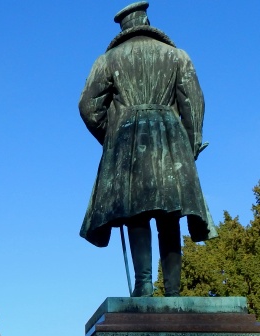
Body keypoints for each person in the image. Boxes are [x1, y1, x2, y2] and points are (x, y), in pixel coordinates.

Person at [79, 2, 216, 297]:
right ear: (147, 20)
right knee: (171, 214)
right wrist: (191, 143)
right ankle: (174, 290)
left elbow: (88, 107)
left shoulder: (108, 59)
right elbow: (193, 104)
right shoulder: (177, 56)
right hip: (170, 136)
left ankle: (143, 285)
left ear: (124, 27)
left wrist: (112, 136)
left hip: (128, 139)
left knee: (136, 213)